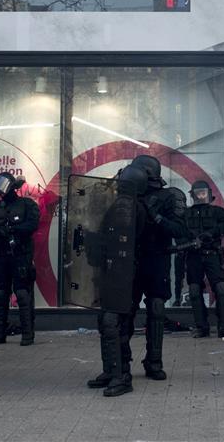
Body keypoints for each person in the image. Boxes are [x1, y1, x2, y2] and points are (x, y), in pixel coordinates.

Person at [87, 165, 149, 397]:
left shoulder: (132, 207)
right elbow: (108, 233)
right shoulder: (121, 205)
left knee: (116, 323)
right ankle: (110, 370)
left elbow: (124, 239)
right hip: (112, 271)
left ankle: (122, 376)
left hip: (124, 274)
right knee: (106, 320)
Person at [128, 154, 189, 380]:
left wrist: (157, 217)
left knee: (156, 308)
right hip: (130, 259)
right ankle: (121, 364)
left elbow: (180, 230)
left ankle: (154, 361)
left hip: (156, 258)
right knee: (125, 310)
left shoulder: (167, 197)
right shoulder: (127, 194)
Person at [0, 172, 40, 346]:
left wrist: (13, 230)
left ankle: (27, 334)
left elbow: (32, 224)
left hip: (21, 255)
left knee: (22, 293)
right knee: (1, 294)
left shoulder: (27, 204)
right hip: (2, 255)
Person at [184, 180, 224, 339]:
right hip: (193, 256)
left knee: (221, 289)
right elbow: (178, 230)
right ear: (193, 195)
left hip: (211, 254)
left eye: (203, 193)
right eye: (198, 193)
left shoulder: (217, 212)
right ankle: (201, 327)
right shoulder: (187, 213)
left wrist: (213, 232)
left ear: (208, 194)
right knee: (194, 291)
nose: (201, 196)